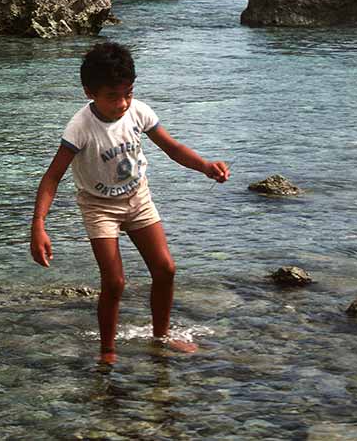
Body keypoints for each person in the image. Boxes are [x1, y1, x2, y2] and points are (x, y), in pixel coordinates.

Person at [30, 41, 229, 363]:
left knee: (165, 269)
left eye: (129, 93)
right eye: (113, 96)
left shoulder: (139, 111)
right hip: (99, 207)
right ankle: (107, 351)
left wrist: (205, 166)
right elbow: (52, 177)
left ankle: (161, 337)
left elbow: (172, 147)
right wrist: (38, 225)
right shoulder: (80, 128)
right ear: (89, 92)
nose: (122, 103)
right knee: (114, 281)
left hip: (138, 199)